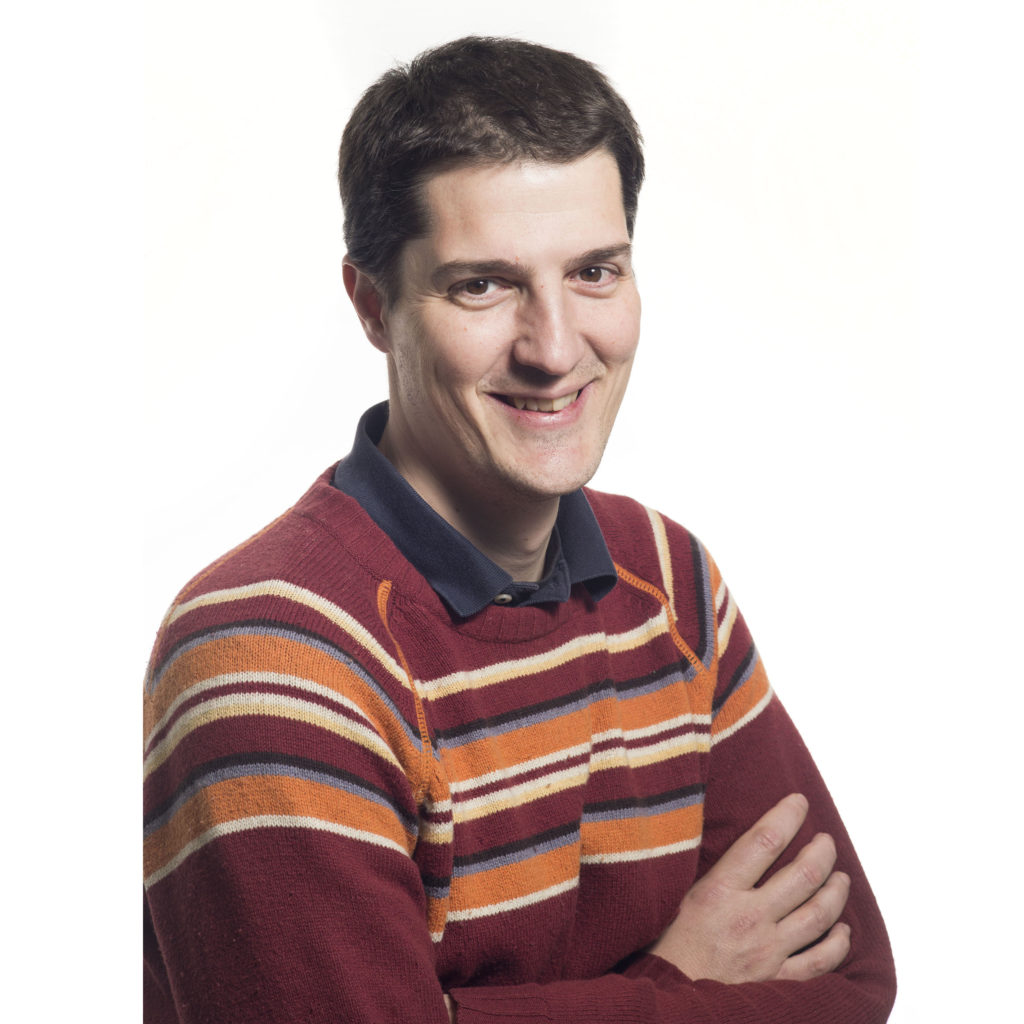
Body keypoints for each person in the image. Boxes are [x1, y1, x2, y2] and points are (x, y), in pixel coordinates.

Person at [143, 36, 896, 1024]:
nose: (554, 347)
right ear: (373, 306)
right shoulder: (271, 659)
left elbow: (848, 985)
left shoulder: (668, 584)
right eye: (482, 285)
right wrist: (676, 983)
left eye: (594, 272)